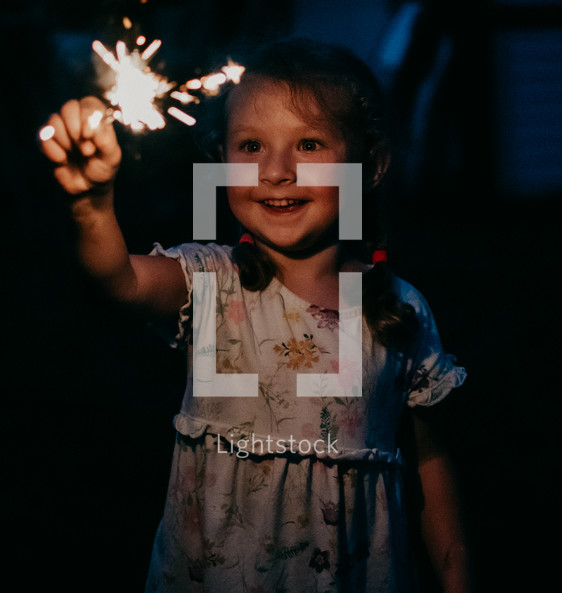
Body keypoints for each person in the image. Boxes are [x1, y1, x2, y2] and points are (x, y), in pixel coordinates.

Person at [40, 37, 471, 593]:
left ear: (370, 164)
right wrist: (90, 202)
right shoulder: (213, 283)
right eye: (250, 146)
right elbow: (117, 280)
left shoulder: (400, 310)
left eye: (309, 144)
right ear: (220, 165)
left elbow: (432, 474)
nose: (275, 171)